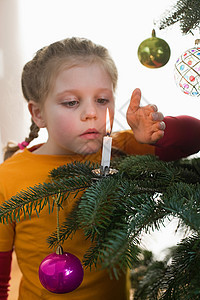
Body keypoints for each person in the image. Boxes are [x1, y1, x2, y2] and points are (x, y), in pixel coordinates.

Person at [0, 37, 200, 300]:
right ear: (38, 114)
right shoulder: (8, 177)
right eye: (72, 102)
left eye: (102, 99)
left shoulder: (121, 148)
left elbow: (194, 135)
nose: (91, 113)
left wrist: (155, 133)